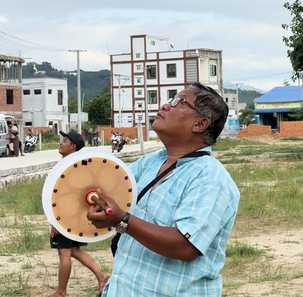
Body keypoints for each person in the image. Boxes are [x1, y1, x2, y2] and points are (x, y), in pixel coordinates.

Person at [87, 83, 240, 296]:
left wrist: (121, 221)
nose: (166, 106)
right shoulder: (151, 162)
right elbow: (108, 186)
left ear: (200, 123)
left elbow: (185, 247)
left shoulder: (210, 176)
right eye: (170, 100)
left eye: (178, 102)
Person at [49, 131, 110, 297]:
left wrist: (56, 220)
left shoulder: (70, 166)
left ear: (73, 146)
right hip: (74, 216)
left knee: (64, 253)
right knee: (74, 250)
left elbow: (64, 195)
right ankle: (101, 276)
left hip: (66, 216)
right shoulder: (78, 163)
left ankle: (61, 292)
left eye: (65, 140)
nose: (61, 143)